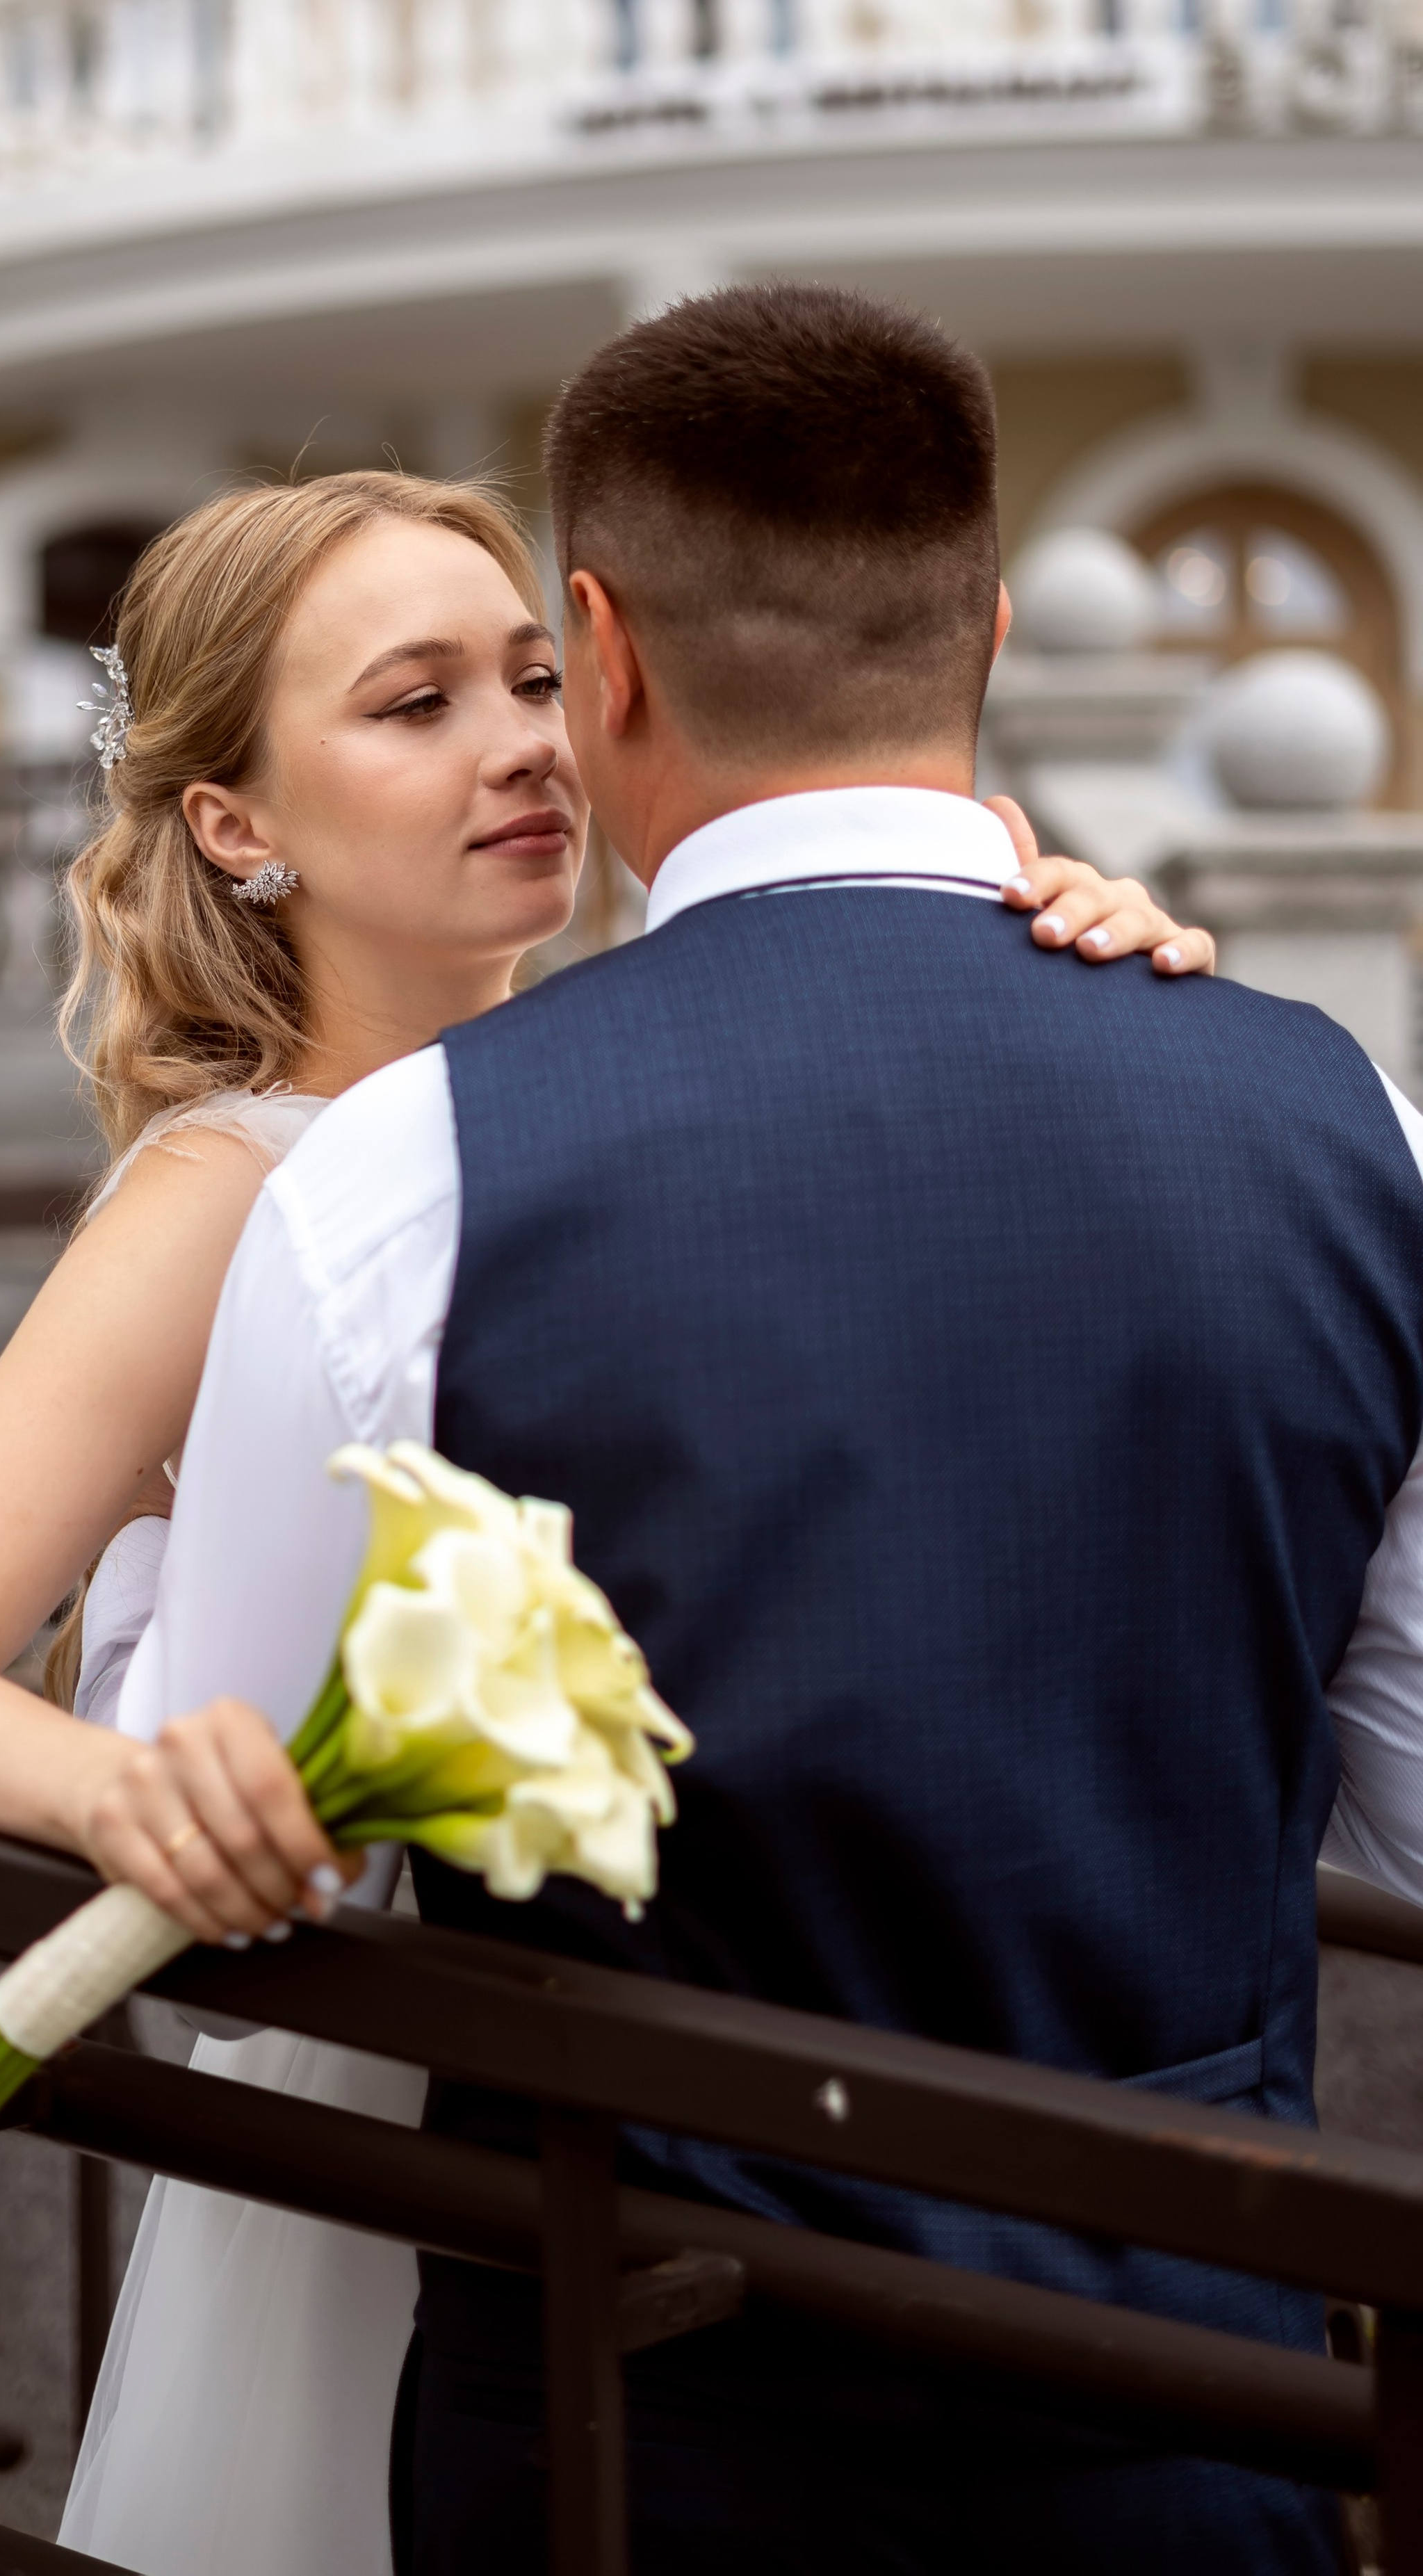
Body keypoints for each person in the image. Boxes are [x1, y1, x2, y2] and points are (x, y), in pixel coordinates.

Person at [0, 460, 1214, 2576]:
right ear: (236, 825)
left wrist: (1051, 955)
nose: (522, 743)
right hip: (395, 2109)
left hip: (706, 2082)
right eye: (415, 702)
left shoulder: (645, 1102)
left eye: (536, 679)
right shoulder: (230, 1189)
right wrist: (133, 1795)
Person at [116, 285, 1423, 2576]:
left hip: (626, 2430)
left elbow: (231, 1889)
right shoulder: (1352, 1127)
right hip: (1184, 2413)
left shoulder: (407, 1172)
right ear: (989, 629)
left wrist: (148, 1567)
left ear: (604, 652)